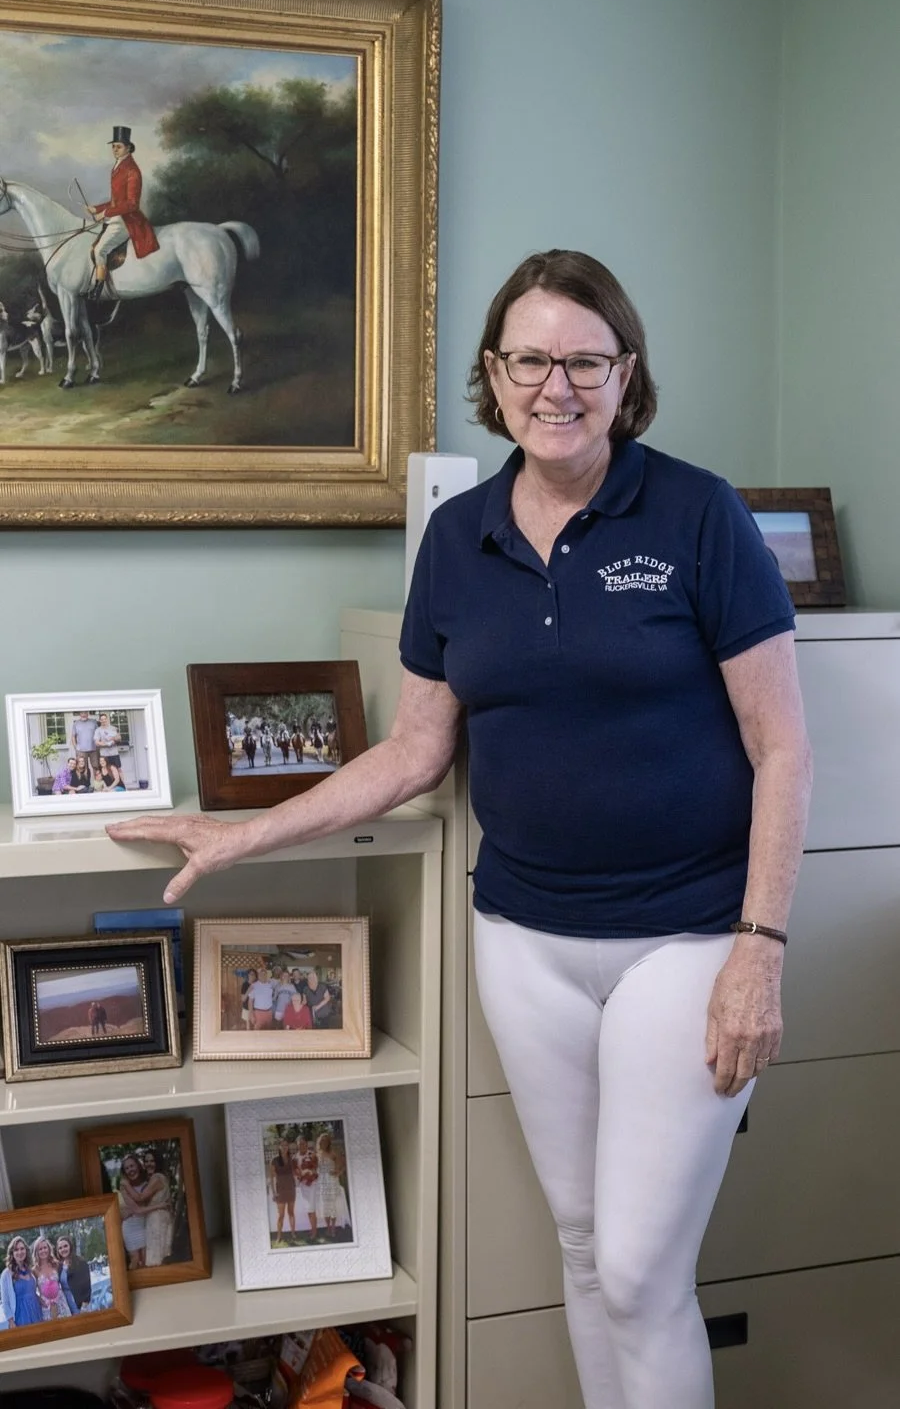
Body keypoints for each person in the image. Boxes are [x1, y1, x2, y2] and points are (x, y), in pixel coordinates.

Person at [108, 248, 812, 1409]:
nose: (558, 385)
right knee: (584, 1248)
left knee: (640, 1270)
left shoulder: (697, 514)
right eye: (531, 358)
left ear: (625, 373)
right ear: (494, 372)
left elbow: (781, 745)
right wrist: (246, 833)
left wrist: (761, 949)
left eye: (586, 360)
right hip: (525, 940)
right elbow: (413, 749)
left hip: (687, 937)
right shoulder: (461, 538)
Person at [87, 125, 160, 291]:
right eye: (113, 146)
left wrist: (104, 213)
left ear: (128, 148)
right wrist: (96, 209)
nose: (114, 150)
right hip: (117, 216)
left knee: (99, 250)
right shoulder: (118, 167)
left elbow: (132, 204)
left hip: (127, 221)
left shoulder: (132, 170)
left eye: (118, 146)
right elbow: (116, 201)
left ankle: (99, 289)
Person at [138, 1149, 174, 1267]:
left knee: (155, 1257)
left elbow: (141, 1198)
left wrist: (125, 1186)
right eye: (146, 1161)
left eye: (152, 1161)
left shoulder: (156, 1177)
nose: (149, 1164)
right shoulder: (164, 1177)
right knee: (163, 1254)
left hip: (156, 1219)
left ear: (158, 1162)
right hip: (164, 1217)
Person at [0, 1237, 43, 1329]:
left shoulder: (30, 1270)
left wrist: (40, 1298)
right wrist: (11, 1321)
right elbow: (5, 1302)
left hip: (36, 1310)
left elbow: (32, 1291)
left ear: (26, 1251)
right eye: (16, 1250)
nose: (20, 1252)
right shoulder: (6, 1275)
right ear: (12, 1253)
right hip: (20, 1315)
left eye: (22, 1248)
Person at [31, 1237, 76, 1319]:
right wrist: (39, 1300)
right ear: (36, 1252)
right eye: (40, 1249)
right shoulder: (34, 1270)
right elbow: (31, 1290)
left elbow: (65, 1279)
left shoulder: (56, 1264)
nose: (43, 1250)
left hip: (61, 1301)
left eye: (45, 1247)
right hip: (46, 1306)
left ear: (49, 1249)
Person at [118, 1153, 149, 1270]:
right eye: (127, 1168)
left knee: (146, 1259)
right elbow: (136, 1206)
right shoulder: (123, 1185)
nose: (130, 1170)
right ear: (124, 1171)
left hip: (144, 1224)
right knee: (135, 1259)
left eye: (132, 1166)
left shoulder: (147, 1184)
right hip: (129, 1226)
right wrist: (134, 1209)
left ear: (138, 1166)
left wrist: (131, 1210)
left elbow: (139, 1203)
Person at [269, 1136, 298, 1243]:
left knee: (291, 1213)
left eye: (286, 1145)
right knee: (281, 1215)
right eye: (283, 1145)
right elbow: (271, 1179)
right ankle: (279, 1236)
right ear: (279, 1147)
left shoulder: (292, 1159)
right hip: (280, 1191)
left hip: (291, 1189)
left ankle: (293, 1233)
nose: (285, 1147)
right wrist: (274, 1193)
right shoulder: (274, 1160)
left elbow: (296, 1172)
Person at [55, 1235, 92, 1311]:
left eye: (65, 1246)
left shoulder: (80, 1262)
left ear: (70, 1247)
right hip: (66, 1303)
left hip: (80, 1303)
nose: (63, 1249)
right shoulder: (60, 1266)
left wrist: (84, 1305)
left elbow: (87, 1286)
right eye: (60, 1248)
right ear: (58, 1251)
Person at [293, 1135, 319, 1241]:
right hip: (303, 1185)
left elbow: (316, 1169)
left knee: (311, 1209)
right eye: (299, 1144)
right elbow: (296, 1172)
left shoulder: (312, 1154)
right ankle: (313, 1228)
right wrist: (301, 1175)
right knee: (308, 1209)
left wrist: (309, 1172)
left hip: (311, 1184)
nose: (301, 1146)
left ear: (306, 1144)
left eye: (303, 1144)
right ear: (297, 1146)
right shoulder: (295, 1157)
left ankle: (314, 1231)